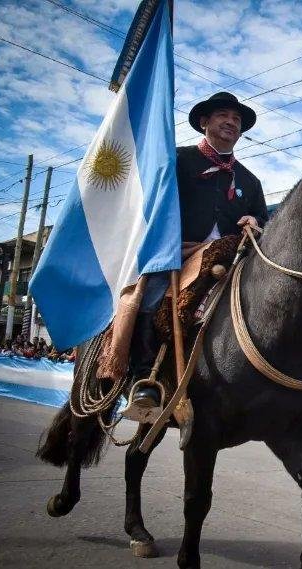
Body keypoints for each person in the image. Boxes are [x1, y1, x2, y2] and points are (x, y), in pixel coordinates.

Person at [126, 92, 268, 420]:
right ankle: (144, 378)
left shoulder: (250, 180)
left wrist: (255, 221)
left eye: (237, 119)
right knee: (150, 297)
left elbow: (262, 216)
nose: (231, 122)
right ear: (205, 122)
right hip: (178, 253)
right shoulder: (176, 160)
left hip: (231, 259)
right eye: (222, 115)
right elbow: (150, 201)